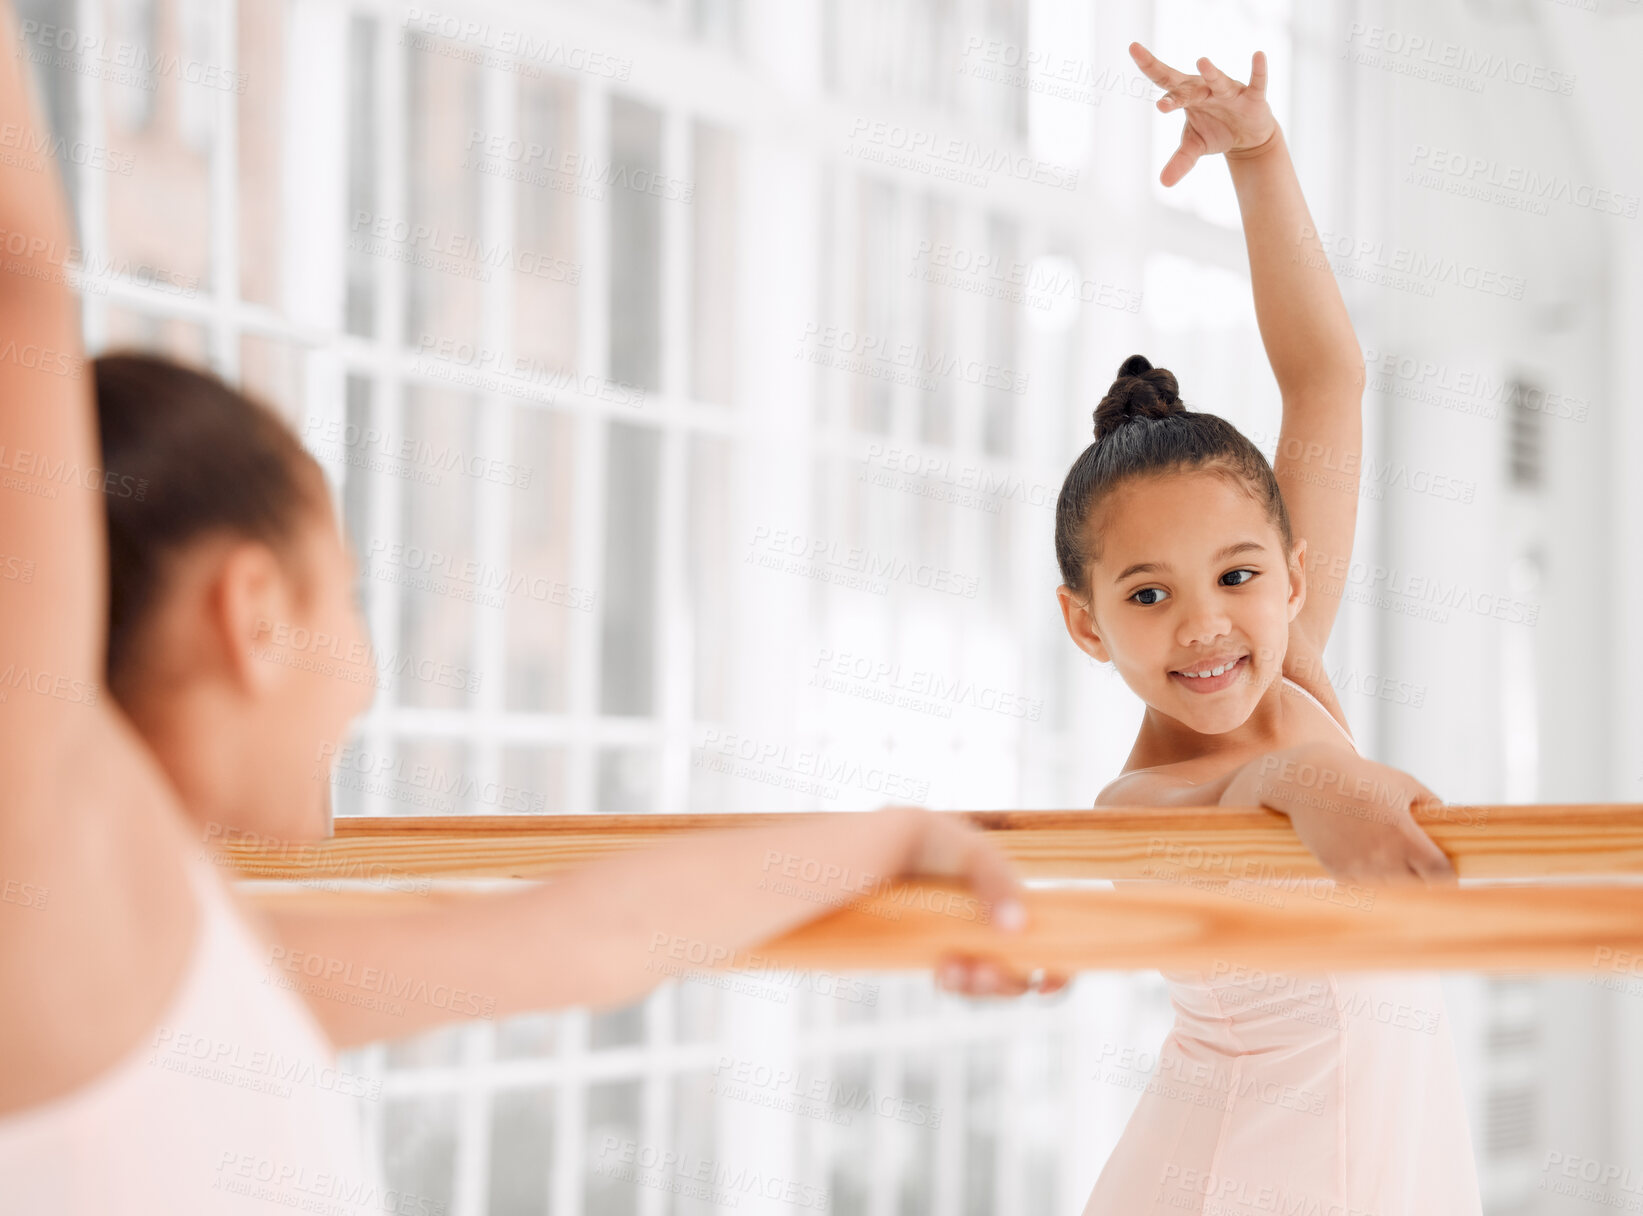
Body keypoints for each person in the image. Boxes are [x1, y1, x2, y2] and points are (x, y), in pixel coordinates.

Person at [0, 9, 1052, 1210]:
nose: (367, 662)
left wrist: (895, 838)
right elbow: (18, 282)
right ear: (254, 611)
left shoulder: (195, 963)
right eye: (343, 590)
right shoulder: (49, 870)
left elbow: (595, 939)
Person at [1060, 45, 1480, 1215]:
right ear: (1084, 626)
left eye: (1235, 574)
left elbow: (1326, 378)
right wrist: (1300, 777)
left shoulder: (1288, 664)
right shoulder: (1127, 809)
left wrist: (1258, 156)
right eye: (1145, 594)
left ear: (1290, 576)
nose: (1204, 624)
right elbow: (1243, 796)